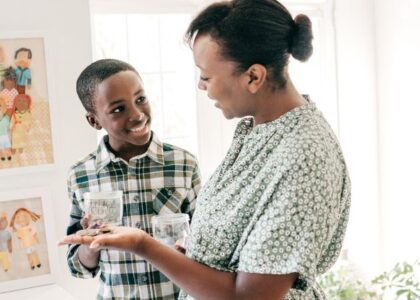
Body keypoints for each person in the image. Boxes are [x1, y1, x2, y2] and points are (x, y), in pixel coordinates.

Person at [59, 1, 351, 299]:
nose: (200, 85)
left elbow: (249, 297)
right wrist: (197, 249)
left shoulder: (304, 157)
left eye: (207, 76)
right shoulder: (262, 132)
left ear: (253, 77)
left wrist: (142, 244)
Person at [64, 59, 201, 299]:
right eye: (118, 109)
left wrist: (190, 247)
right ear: (94, 120)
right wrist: (90, 243)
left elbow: (206, 244)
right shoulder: (80, 176)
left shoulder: (184, 164)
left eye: (140, 100)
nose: (137, 115)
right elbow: (79, 267)